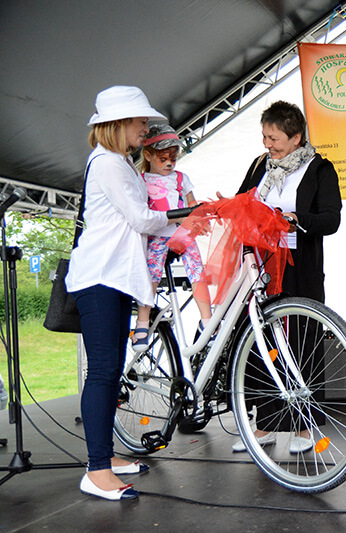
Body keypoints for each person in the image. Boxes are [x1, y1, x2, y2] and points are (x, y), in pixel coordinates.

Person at [66, 86, 174, 500]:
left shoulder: (121, 162)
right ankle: (96, 470)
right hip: (100, 278)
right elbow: (141, 219)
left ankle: (105, 456)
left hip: (116, 277)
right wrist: (184, 215)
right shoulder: (108, 163)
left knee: (110, 372)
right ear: (118, 124)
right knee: (103, 371)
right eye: (140, 121)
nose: (146, 127)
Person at [231, 100, 342, 454]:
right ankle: (264, 424)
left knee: (303, 341)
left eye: (274, 138)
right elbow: (242, 202)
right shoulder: (259, 165)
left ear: (296, 138)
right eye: (265, 137)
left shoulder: (320, 168)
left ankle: (306, 425)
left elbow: (331, 219)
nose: (267, 144)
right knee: (261, 341)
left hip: (299, 265)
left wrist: (296, 219)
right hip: (261, 265)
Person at [132, 124, 211, 350]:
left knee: (197, 271)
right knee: (151, 275)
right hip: (157, 233)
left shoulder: (181, 179)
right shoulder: (141, 180)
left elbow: (192, 203)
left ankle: (207, 320)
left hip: (183, 232)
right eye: (163, 159)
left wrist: (198, 219)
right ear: (148, 155)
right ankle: (142, 322)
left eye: (173, 159)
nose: (169, 164)